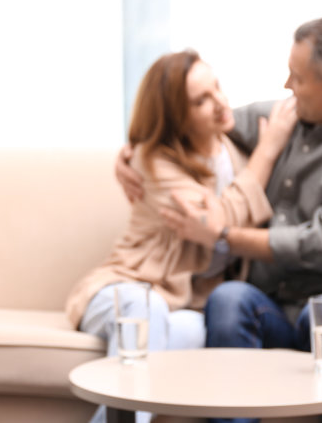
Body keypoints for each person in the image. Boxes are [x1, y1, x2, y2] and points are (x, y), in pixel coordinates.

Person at [117, 16, 322, 423]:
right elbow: (190, 118)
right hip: (277, 306)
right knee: (229, 299)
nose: (287, 86)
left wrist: (222, 234)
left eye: (297, 77)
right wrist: (133, 150)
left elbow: (319, 245)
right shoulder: (285, 117)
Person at [65, 50, 298, 423]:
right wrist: (269, 151)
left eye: (217, 87)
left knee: (199, 335)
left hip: (184, 307)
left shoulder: (236, 150)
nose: (220, 103)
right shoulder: (153, 161)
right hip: (125, 290)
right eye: (200, 100)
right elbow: (215, 222)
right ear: (175, 116)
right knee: (146, 312)